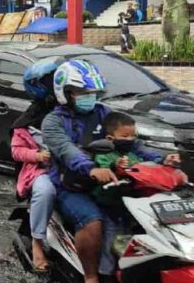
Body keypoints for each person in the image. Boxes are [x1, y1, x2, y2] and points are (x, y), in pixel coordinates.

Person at [42, 60, 165, 283]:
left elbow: (133, 144)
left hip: (111, 181)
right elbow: (67, 151)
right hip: (72, 186)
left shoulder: (103, 113)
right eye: (82, 91)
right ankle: (91, 276)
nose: (89, 96)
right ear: (66, 93)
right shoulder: (53, 122)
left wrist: (162, 160)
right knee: (93, 221)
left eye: (93, 91)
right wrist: (92, 169)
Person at [11, 57, 62, 273]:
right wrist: (38, 156)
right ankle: (37, 244)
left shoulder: (75, 111)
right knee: (45, 190)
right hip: (42, 171)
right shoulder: (28, 120)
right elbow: (16, 150)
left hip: (74, 168)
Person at [90, 112, 180, 207]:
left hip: (133, 197)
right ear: (109, 139)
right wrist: (115, 165)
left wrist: (165, 162)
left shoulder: (132, 154)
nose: (130, 139)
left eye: (133, 136)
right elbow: (103, 170)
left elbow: (145, 165)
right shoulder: (103, 154)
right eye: (125, 136)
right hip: (107, 199)